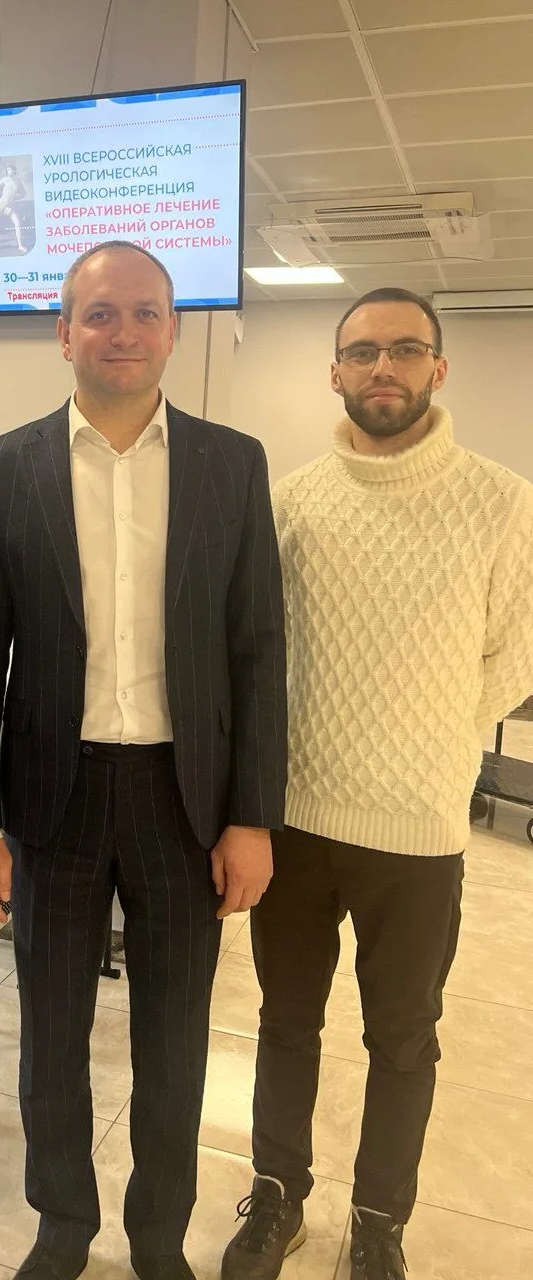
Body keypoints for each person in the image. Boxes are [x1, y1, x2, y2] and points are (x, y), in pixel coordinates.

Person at [0, 240, 287, 1280]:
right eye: (99, 314)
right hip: (52, 798)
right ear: (64, 334)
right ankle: (62, 1227)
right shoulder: (7, 466)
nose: (123, 332)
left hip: (187, 799)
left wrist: (253, 814)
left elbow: (258, 648)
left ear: (173, 330)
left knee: (174, 1039)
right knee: (51, 1035)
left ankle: (156, 1236)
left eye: (145, 312)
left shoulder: (233, 463)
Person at [221, 287, 533, 1280]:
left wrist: (432, 728)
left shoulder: (503, 500)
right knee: (285, 1022)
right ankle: (277, 1195)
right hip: (297, 821)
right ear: (335, 372)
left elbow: (518, 650)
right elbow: (261, 654)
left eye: (404, 350)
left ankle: (379, 1218)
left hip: (421, 831)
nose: (383, 368)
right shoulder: (291, 502)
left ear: (439, 367)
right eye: (362, 352)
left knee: (403, 1040)